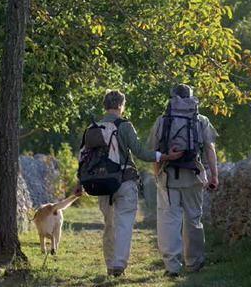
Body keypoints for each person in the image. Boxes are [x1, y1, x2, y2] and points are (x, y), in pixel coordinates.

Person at [74, 89, 182, 277]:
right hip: (124, 182)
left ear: (104, 105)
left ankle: (110, 265)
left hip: (100, 185)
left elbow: (83, 158)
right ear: (122, 105)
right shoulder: (124, 126)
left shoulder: (93, 127)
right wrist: (164, 156)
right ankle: (118, 265)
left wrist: (78, 184)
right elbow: (140, 151)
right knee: (123, 225)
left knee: (109, 225)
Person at [147, 84, 219, 277]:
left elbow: (154, 151)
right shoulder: (201, 120)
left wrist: (157, 173)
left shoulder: (162, 120)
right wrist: (214, 175)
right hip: (194, 176)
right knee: (193, 219)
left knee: (169, 221)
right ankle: (194, 263)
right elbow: (210, 149)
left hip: (168, 177)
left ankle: (172, 266)